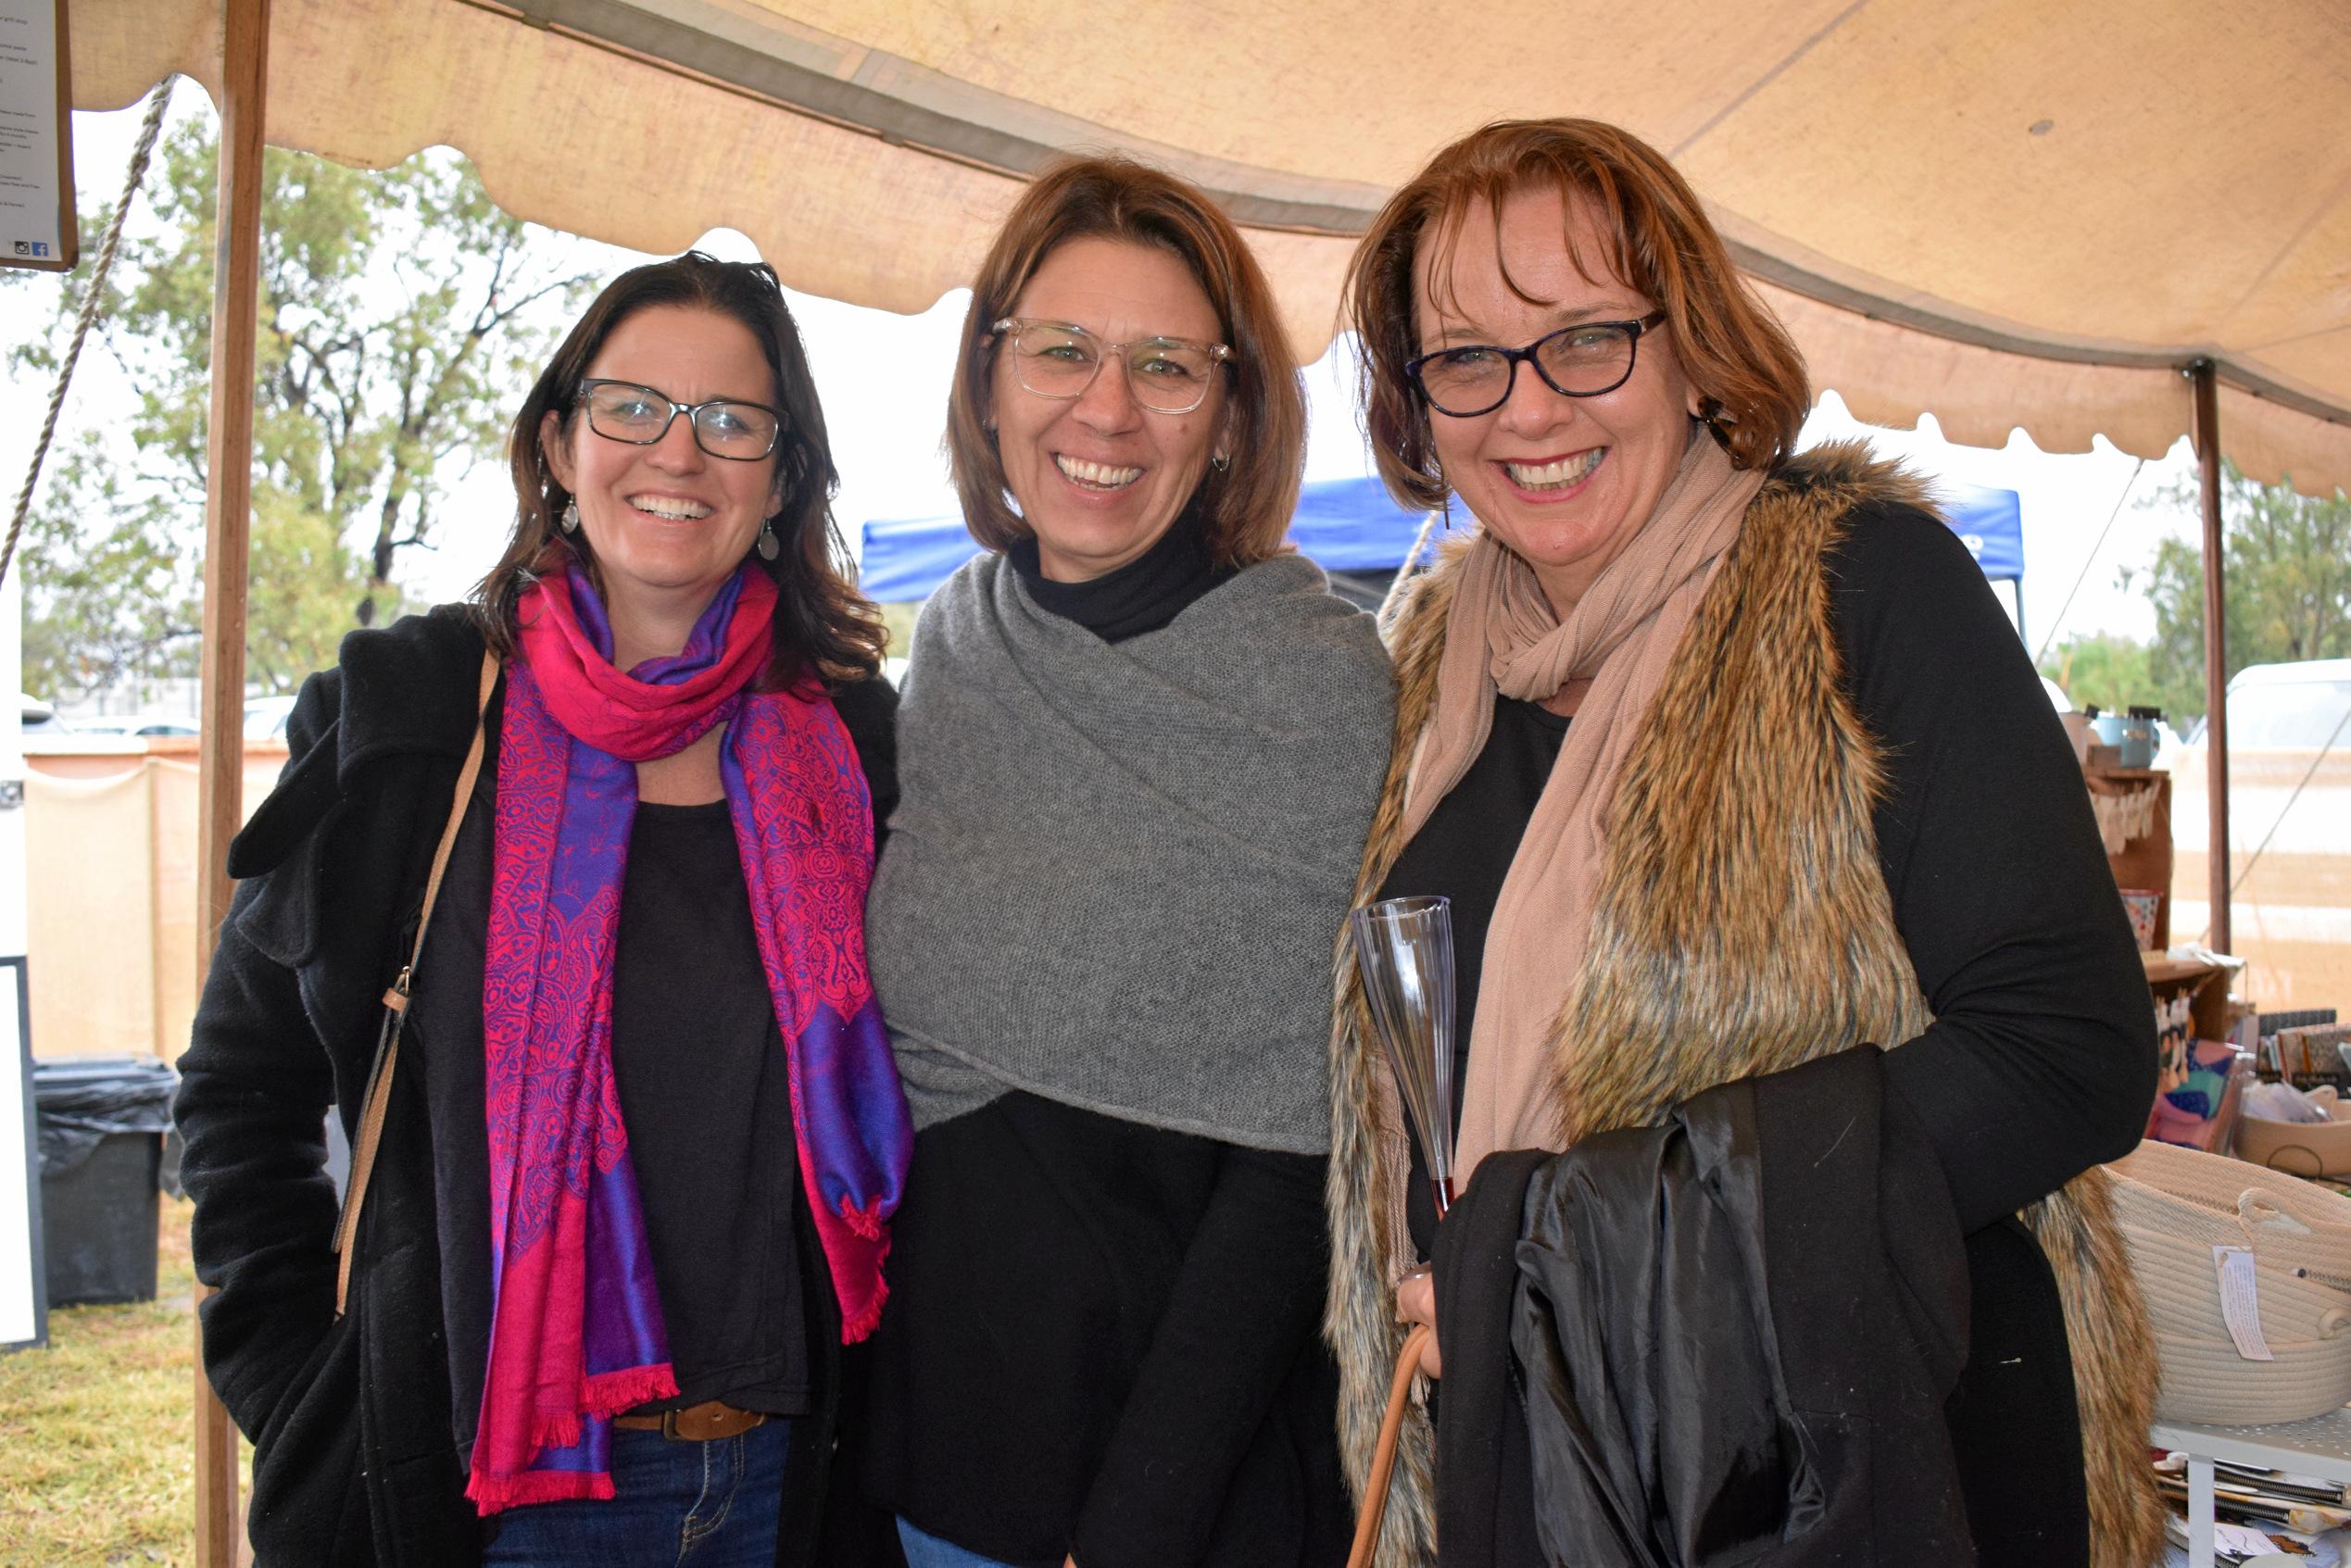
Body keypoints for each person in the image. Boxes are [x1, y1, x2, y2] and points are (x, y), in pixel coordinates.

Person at [1325, 120, 2163, 1568]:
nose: (1524, 407)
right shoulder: (1418, 673)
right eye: (1462, 356)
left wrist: (1553, 1257)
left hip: (1855, 1481)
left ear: (1692, 343)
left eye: (1585, 337)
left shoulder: (1857, 584)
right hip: (1517, 1481)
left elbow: (2063, 1047)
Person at [174, 252, 911, 1567]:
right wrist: (295, 1381)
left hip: (778, 1473)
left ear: (783, 478)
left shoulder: (851, 743)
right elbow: (243, 1084)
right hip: (483, 1489)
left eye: (733, 422)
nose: (677, 453)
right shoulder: (410, 719)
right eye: (632, 406)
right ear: (558, 443)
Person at [860, 156, 1394, 1568]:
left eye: (1166, 363)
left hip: (1190, 1486)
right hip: (922, 1462)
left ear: (1228, 413)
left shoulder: (1322, 688)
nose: (1104, 408)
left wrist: (1137, 1522)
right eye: (1061, 351)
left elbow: (1303, 1144)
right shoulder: (949, 658)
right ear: (989, 384)